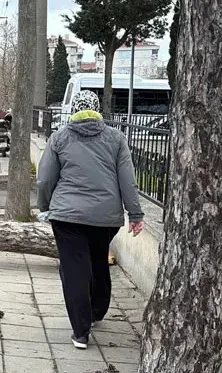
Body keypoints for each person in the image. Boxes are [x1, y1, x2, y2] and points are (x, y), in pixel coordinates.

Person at [36, 90, 145, 350]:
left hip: (67, 216)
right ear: (98, 110)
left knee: (74, 269)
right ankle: (97, 310)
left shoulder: (59, 138)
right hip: (105, 218)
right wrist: (135, 214)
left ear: (74, 110)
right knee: (98, 260)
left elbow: (45, 179)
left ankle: (81, 331)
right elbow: (127, 181)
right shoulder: (116, 138)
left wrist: (46, 207)